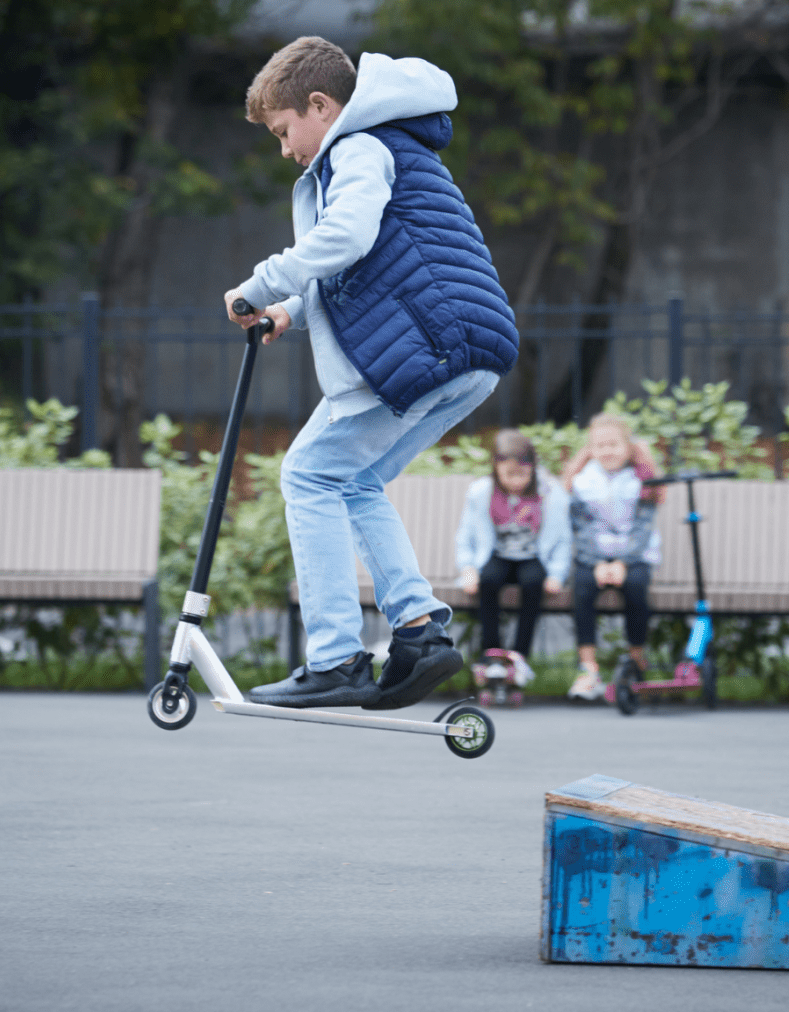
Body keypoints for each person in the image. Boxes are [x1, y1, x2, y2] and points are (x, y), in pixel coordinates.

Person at [227, 36, 519, 710]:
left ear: (321, 106)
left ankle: (334, 658)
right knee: (353, 480)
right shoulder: (392, 144)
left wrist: (260, 281)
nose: (284, 149)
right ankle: (418, 632)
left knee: (307, 474)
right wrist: (287, 312)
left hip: (428, 346)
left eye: (283, 130)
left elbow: (345, 239)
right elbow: (367, 262)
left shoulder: (358, 147)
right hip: (464, 350)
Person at [454, 430, 570, 696]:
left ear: (533, 469)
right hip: (497, 555)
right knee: (489, 580)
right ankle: (492, 654)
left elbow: (563, 538)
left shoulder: (550, 493)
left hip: (532, 556)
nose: (516, 481)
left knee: (533, 583)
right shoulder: (482, 492)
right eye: (509, 475)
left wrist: (557, 574)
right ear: (496, 470)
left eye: (522, 475)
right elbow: (465, 535)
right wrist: (468, 569)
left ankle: (519, 655)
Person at [563, 414, 662, 700]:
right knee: (581, 590)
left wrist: (622, 563)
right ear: (591, 449)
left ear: (628, 447)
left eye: (614, 444)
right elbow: (580, 527)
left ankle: (636, 659)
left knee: (636, 587)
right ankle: (588, 668)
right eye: (600, 445)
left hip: (633, 556)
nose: (607, 451)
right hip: (592, 557)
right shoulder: (581, 482)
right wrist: (596, 563)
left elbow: (643, 527)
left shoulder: (644, 480)